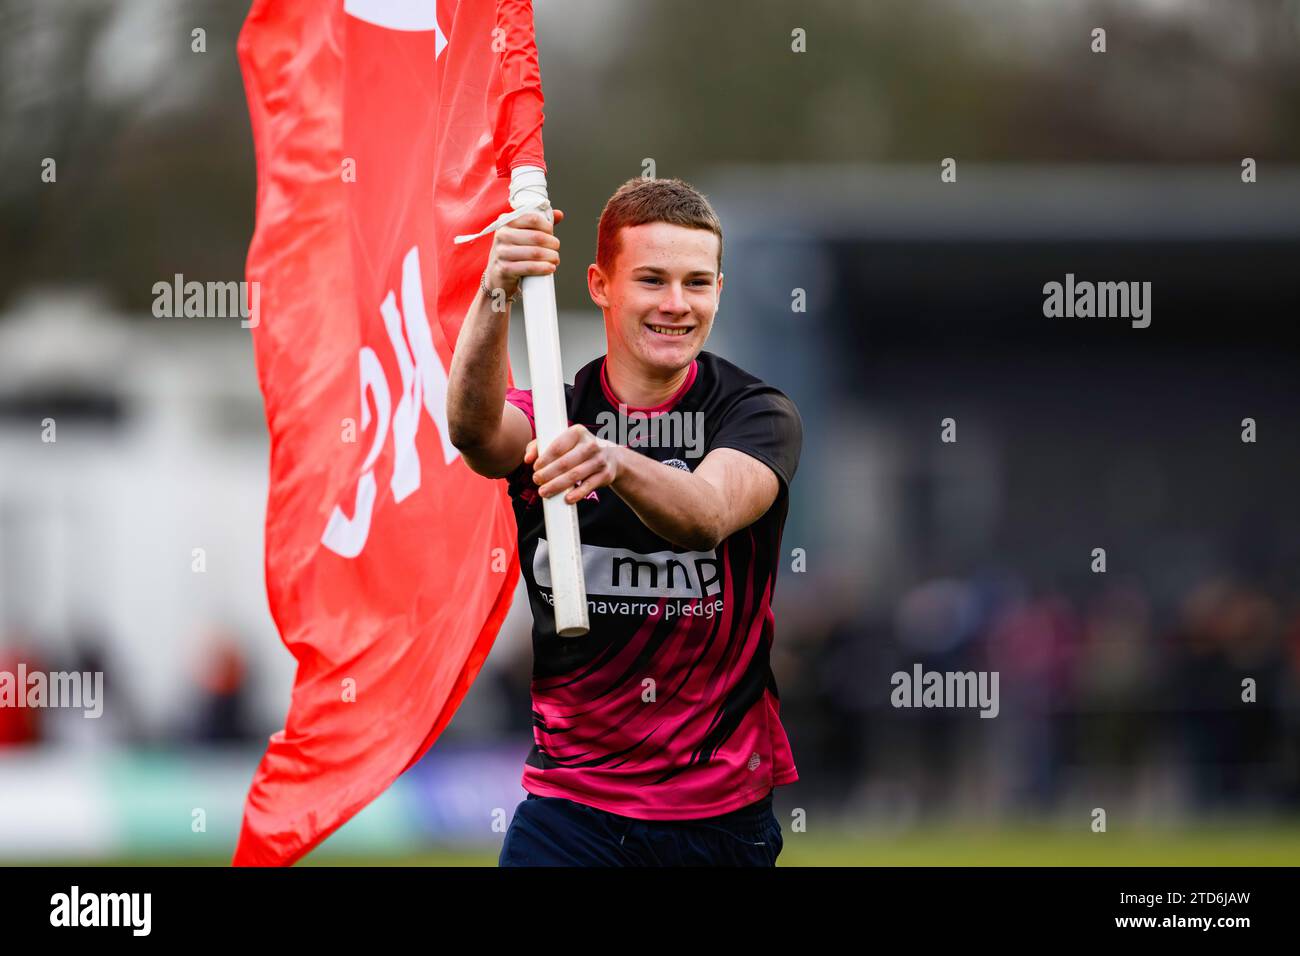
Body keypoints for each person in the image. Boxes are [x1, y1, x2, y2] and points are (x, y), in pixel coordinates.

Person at [447, 177, 803, 866]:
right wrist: (497, 285)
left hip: (718, 818)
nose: (677, 304)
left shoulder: (758, 415)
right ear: (601, 284)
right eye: (651, 280)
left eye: (697, 283)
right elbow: (474, 431)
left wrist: (613, 459)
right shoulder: (552, 414)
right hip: (568, 808)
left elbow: (706, 516)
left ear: (720, 290)